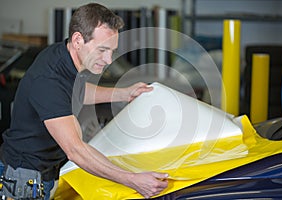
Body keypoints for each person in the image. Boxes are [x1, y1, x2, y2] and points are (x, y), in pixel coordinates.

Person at [0, 3, 168, 200]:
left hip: (43, 173)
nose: (108, 60)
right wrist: (133, 180)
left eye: (112, 51)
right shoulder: (49, 79)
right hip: (24, 180)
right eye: (102, 50)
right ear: (78, 39)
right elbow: (75, 151)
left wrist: (123, 93)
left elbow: (74, 92)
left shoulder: (65, 57)